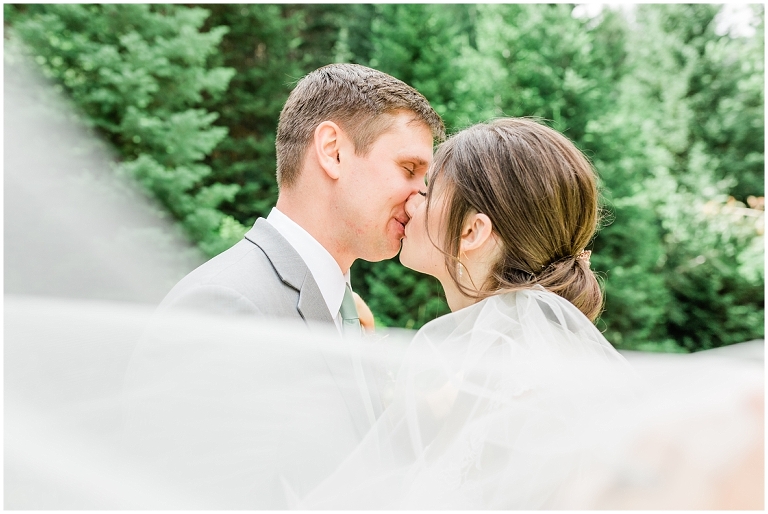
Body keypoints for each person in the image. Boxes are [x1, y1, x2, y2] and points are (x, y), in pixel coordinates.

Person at [299, 118, 637, 508]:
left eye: (428, 193)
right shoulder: (479, 379)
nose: (411, 201)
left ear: (472, 232)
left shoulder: (527, 401)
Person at [156, 63, 444, 334]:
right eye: (409, 169)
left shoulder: (346, 314)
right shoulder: (222, 308)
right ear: (333, 152)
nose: (421, 196)